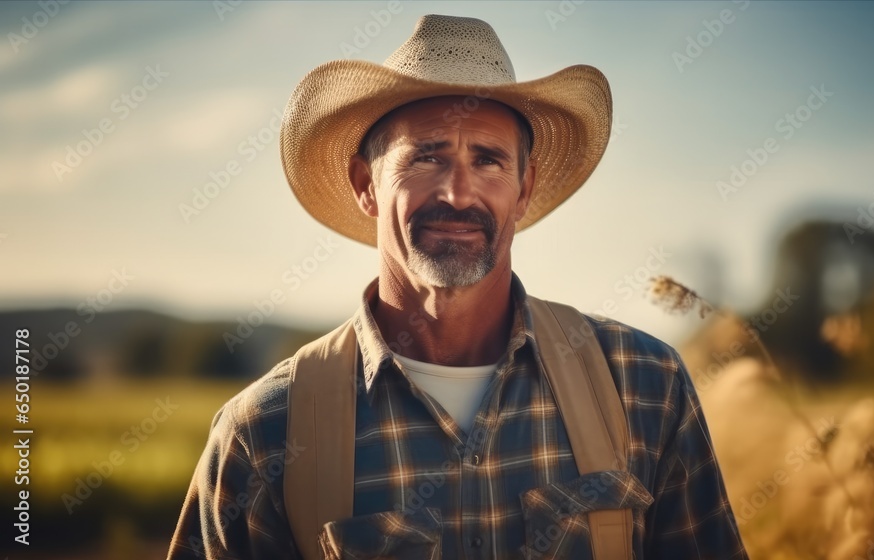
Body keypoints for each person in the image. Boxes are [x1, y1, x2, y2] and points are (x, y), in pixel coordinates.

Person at [168, 14, 747, 560]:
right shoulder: (264, 433)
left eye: (489, 160)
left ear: (524, 189)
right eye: (426, 156)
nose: (459, 193)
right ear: (365, 184)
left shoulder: (646, 385)